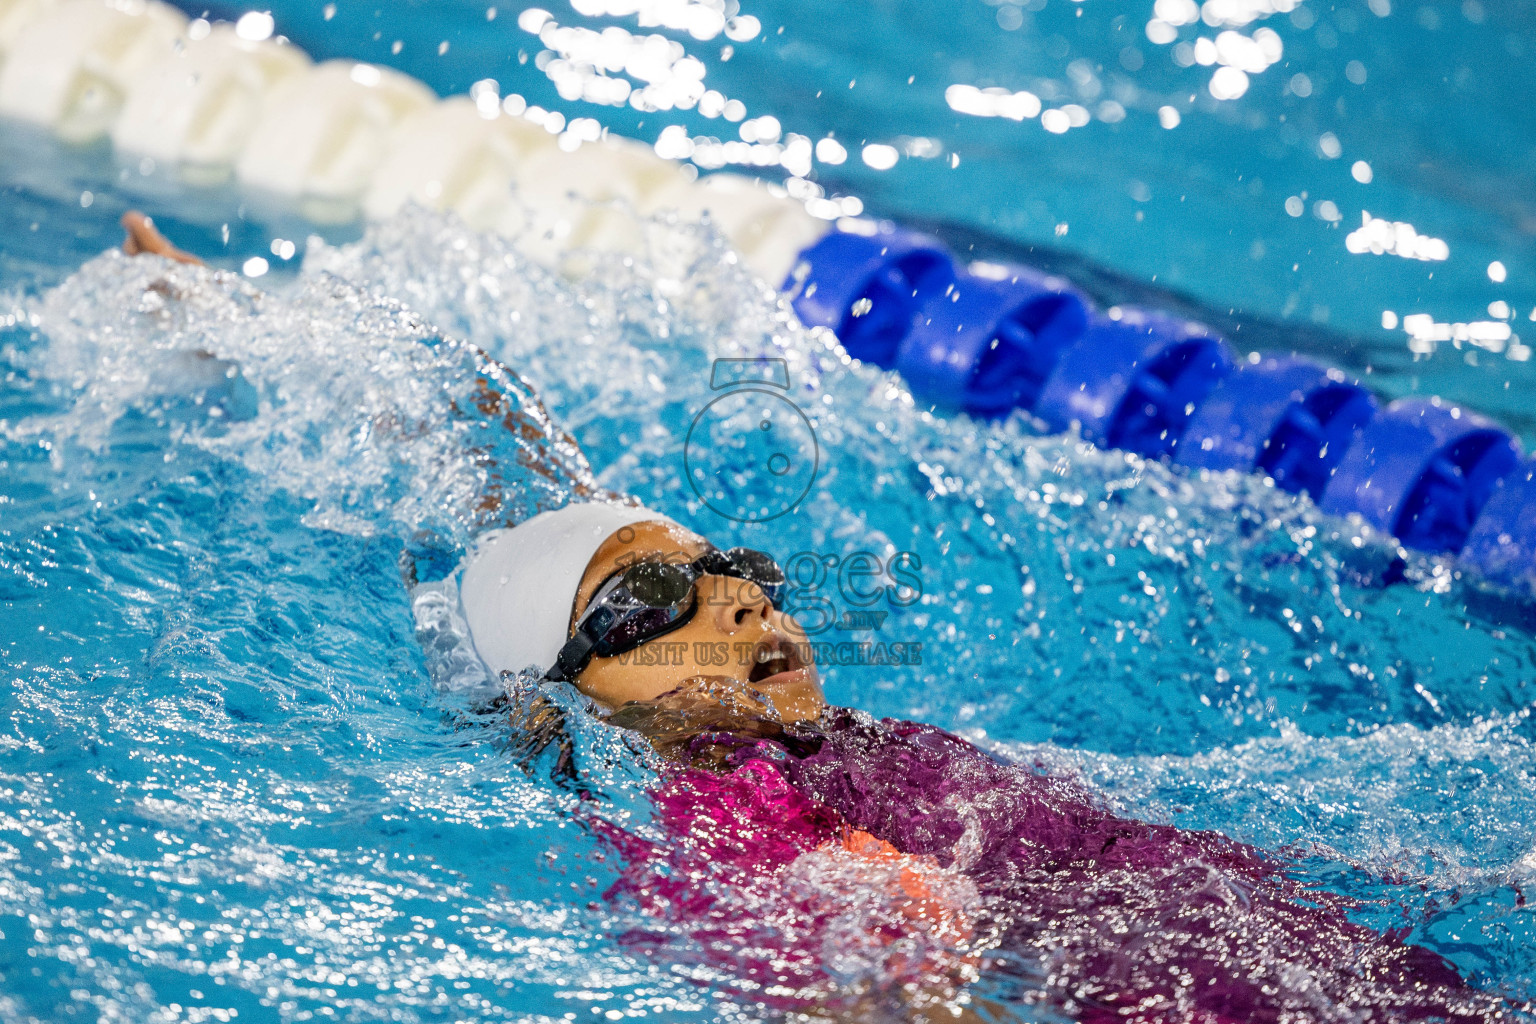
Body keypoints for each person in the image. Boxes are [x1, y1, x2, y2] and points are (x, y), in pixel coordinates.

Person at [118, 213, 1515, 1024]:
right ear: (567, 697)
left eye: (732, 569)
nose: (732, 598)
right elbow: (868, 982)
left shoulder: (801, 737)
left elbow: (511, 494)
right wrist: (891, 939)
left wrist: (257, 331)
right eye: (660, 599)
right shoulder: (731, 828)